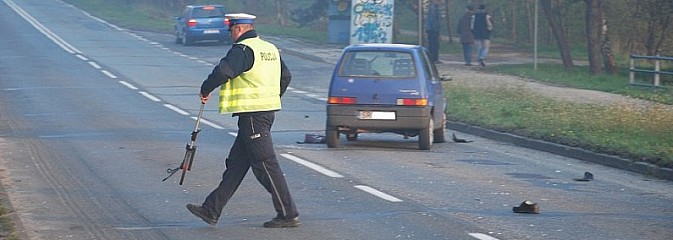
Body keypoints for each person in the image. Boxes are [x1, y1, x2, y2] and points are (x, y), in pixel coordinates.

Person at [186, 13, 299, 228]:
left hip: (254, 116)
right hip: (260, 114)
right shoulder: (269, 49)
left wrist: (205, 88)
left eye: (230, 31)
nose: (230, 35)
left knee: (265, 164)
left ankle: (288, 213)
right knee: (236, 165)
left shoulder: (244, 50)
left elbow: (223, 71)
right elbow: (286, 76)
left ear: (238, 29)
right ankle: (211, 209)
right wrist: (272, 98)